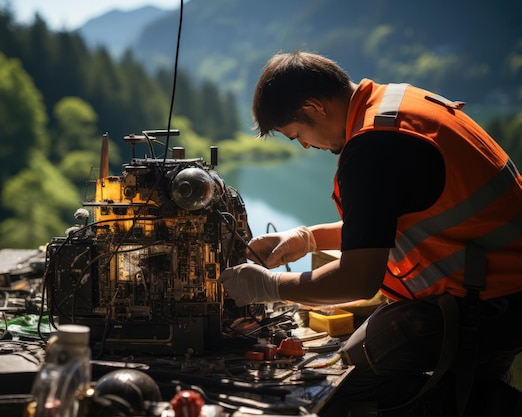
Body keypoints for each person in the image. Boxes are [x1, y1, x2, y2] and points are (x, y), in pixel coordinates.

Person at [218, 51, 522, 416]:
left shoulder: (372, 149)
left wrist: (269, 286)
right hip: (501, 285)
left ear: (315, 108)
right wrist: (308, 237)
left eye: (297, 134)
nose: (303, 145)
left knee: (346, 381)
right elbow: (385, 224)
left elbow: (357, 280)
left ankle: (492, 406)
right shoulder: (394, 104)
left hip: (490, 306)